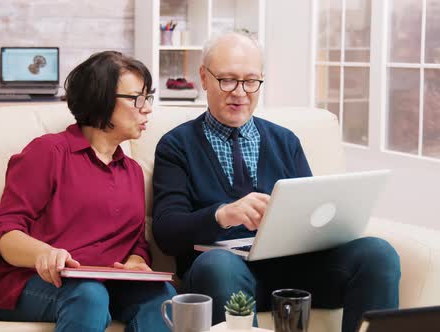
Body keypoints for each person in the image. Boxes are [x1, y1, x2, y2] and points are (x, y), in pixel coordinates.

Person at [152, 33, 400, 332]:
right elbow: (166, 231)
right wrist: (223, 214)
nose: (240, 92)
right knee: (219, 265)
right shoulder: (176, 145)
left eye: (251, 81)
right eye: (227, 80)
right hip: (224, 274)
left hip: (293, 271)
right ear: (204, 78)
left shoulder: (285, 141)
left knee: (378, 253)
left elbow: (312, 216)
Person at [0, 51, 176, 332]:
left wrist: (136, 261)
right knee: (87, 294)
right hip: (34, 282)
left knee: (163, 298)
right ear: (102, 100)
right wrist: (46, 253)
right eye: (137, 98)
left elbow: (135, 242)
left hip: (105, 282)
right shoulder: (49, 151)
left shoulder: (132, 171)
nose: (147, 108)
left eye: (148, 98)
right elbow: (2, 229)